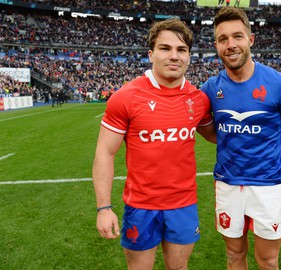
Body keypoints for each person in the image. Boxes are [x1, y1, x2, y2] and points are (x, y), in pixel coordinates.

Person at [92, 18, 215, 270]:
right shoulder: (126, 97)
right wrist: (104, 208)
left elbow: (217, 135)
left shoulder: (198, 99)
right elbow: (105, 152)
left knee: (179, 268)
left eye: (181, 50)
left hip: (183, 204)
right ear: (151, 54)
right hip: (141, 206)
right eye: (165, 48)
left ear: (190, 56)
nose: (174, 56)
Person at [201, 7, 281, 270]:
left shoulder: (279, 84)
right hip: (227, 185)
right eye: (223, 39)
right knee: (233, 257)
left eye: (237, 36)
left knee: (268, 261)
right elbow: (204, 127)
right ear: (216, 45)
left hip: (268, 187)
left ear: (250, 40)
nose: (231, 45)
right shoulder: (210, 89)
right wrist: (228, 137)